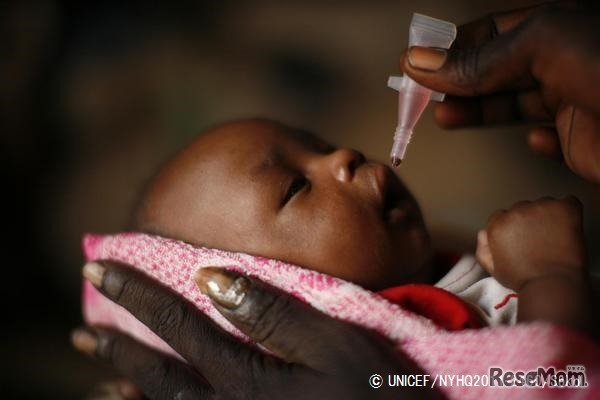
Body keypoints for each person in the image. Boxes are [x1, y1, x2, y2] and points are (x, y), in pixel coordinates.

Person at [71, 2, 600, 399]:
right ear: (288, 292)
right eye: (295, 187)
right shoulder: (409, 353)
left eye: (318, 146)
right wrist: (550, 277)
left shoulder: (448, 270)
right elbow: (549, 380)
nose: (343, 156)